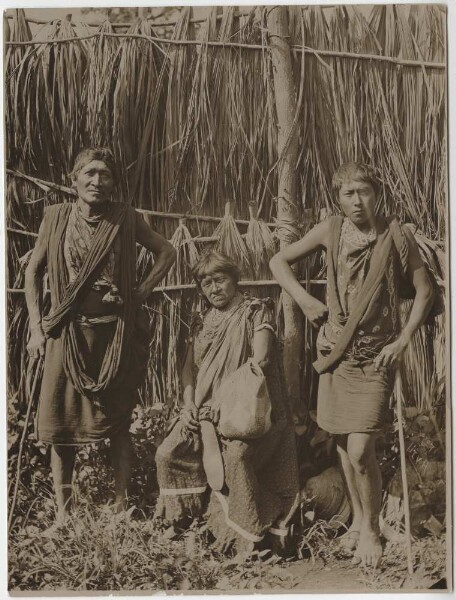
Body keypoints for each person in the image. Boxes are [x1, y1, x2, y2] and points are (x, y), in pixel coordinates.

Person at [269, 162, 435, 568]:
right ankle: (359, 521)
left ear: (376, 194)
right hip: (335, 351)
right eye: (348, 194)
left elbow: (425, 292)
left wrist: (402, 339)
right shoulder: (331, 230)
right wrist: (305, 300)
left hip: (376, 354)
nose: (357, 201)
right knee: (343, 440)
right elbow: (278, 262)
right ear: (337, 198)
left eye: (363, 192)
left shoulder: (396, 236)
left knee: (361, 448)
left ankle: (373, 531)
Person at [25, 147, 176, 527]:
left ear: (113, 182)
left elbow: (166, 251)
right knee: (61, 426)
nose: (97, 181)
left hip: (114, 335)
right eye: (89, 173)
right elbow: (33, 272)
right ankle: (63, 513)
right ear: (74, 179)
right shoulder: (55, 218)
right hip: (66, 334)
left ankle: (122, 504)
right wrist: (35, 328)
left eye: (105, 175)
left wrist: (140, 292)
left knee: (118, 423)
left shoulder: (126, 218)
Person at [155, 252, 299, 554]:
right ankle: (186, 523)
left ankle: (248, 538)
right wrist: (188, 402)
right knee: (167, 453)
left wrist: (225, 399)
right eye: (206, 283)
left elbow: (260, 359)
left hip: (248, 411)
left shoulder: (255, 312)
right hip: (204, 411)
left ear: (234, 278)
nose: (213, 288)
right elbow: (189, 368)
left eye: (219, 279)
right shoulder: (201, 320)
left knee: (236, 458)